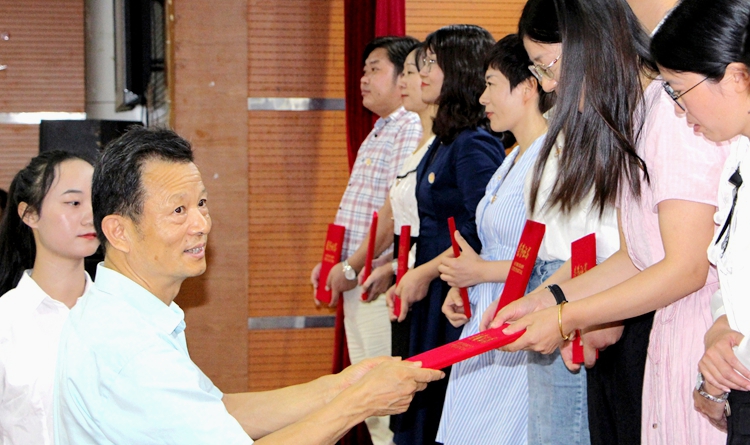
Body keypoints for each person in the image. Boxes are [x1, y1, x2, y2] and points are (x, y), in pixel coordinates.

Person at [53, 127, 444, 444]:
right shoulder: (129, 349)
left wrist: (339, 388)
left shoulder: (128, 314)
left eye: (201, 204)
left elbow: (213, 412)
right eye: (178, 210)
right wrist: (358, 403)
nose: (201, 224)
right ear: (118, 231)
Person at [489, 0, 731, 443]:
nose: (550, 86)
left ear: (590, 42)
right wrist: (548, 300)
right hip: (667, 338)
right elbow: (634, 257)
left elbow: (686, 268)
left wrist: (565, 317)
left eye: (548, 66)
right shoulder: (634, 118)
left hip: (706, 342)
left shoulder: (674, 115)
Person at [386, 24, 505, 445]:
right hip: (434, 288)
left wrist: (426, 272)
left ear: (458, 69)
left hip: (452, 292)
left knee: (437, 413)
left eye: (433, 63)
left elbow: (481, 225)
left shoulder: (474, 142)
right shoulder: (446, 140)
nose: (422, 73)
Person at [435, 33, 553, 445]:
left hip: (520, 322)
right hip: (485, 316)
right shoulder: (509, 159)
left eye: (490, 84)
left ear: (527, 88)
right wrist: (464, 284)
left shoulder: (553, 158)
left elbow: (552, 261)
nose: (482, 98)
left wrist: (481, 271)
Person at [309, 35, 421, 444]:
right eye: (363, 70)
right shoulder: (378, 130)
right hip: (357, 276)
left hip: (378, 280)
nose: (364, 78)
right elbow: (357, 212)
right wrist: (333, 263)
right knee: (367, 400)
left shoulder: (408, 126)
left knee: (381, 400)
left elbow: (392, 215)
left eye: (376, 69)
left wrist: (351, 266)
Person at [652, 1, 750, 442]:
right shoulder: (738, 155)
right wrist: (722, 322)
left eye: (678, 89)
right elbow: (730, 272)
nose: (677, 108)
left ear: (734, 77)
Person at [0, 150, 98, 445]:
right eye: (74, 203)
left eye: (96, 201)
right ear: (30, 214)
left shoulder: (122, 315)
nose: (91, 216)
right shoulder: (6, 322)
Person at [359, 42, 438, 359]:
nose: (405, 82)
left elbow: (448, 228)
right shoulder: (403, 133)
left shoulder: (448, 141)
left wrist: (357, 266)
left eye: (411, 73)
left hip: (425, 278)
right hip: (403, 273)